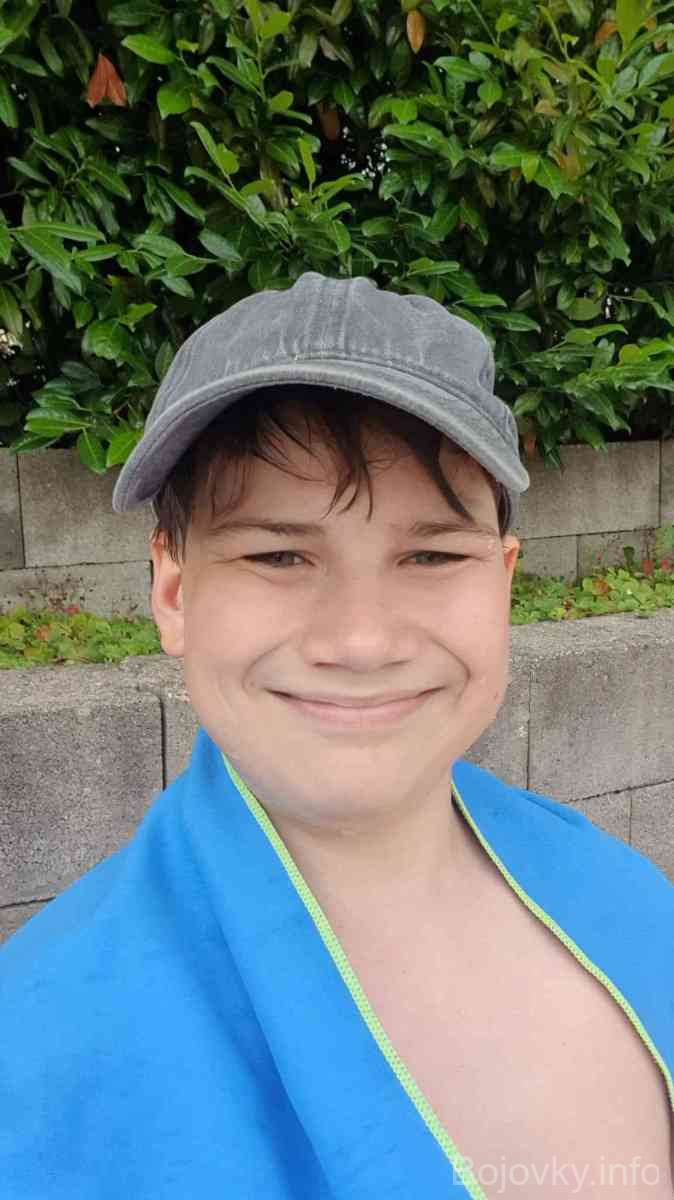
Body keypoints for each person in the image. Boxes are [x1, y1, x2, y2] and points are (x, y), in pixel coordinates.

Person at [1, 271, 672, 1198]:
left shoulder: (622, 889)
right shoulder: (40, 1054)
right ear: (174, 590)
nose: (361, 640)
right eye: (278, 555)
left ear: (504, 579)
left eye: (431, 554)